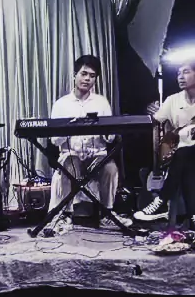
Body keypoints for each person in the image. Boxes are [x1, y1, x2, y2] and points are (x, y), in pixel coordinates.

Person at [48, 54, 120, 228]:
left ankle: (107, 213)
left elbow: (110, 137)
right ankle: (66, 214)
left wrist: (102, 127)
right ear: (75, 75)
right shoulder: (61, 104)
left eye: (92, 76)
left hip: (96, 156)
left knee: (110, 167)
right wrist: (70, 126)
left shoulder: (102, 103)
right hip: (71, 155)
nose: (87, 79)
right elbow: (54, 140)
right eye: (84, 74)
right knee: (69, 164)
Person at [134, 62, 195, 226]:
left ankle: (162, 200)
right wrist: (149, 110)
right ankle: (193, 217)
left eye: (186, 72)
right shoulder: (173, 100)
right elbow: (155, 122)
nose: (180, 77)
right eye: (178, 73)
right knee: (186, 161)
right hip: (182, 154)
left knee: (185, 155)